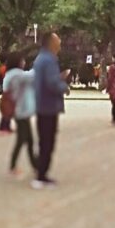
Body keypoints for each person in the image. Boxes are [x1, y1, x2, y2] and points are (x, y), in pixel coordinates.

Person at [32, 32, 70, 189]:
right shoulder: (49, 60)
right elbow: (51, 83)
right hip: (48, 106)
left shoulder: (40, 59)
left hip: (42, 105)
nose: (60, 44)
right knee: (47, 142)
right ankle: (41, 176)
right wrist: (64, 87)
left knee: (44, 141)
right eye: (58, 42)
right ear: (51, 43)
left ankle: (41, 173)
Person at [2, 52, 37, 177]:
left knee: (28, 140)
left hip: (20, 111)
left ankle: (35, 165)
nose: (24, 63)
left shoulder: (10, 74)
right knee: (22, 140)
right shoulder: (16, 75)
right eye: (22, 61)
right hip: (20, 111)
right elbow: (32, 76)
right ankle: (14, 166)